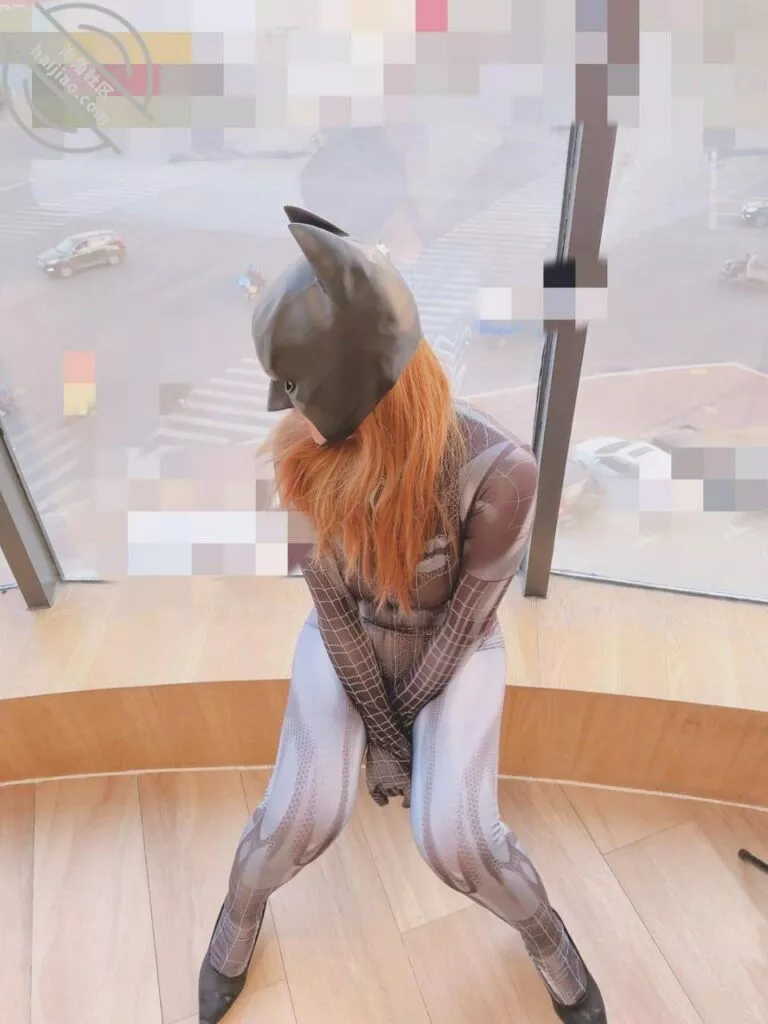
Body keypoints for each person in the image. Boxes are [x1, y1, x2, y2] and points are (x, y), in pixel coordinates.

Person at [198, 206, 608, 1024]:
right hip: (348, 639)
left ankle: (546, 935)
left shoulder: (500, 473)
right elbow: (332, 609)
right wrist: (389, 737)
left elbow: (464, 624)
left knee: (459, 840)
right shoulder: (303, 458)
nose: (290, 411)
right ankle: (240, 909)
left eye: (301, 390)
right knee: (299, 815)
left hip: (454, 649)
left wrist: (399, 735)